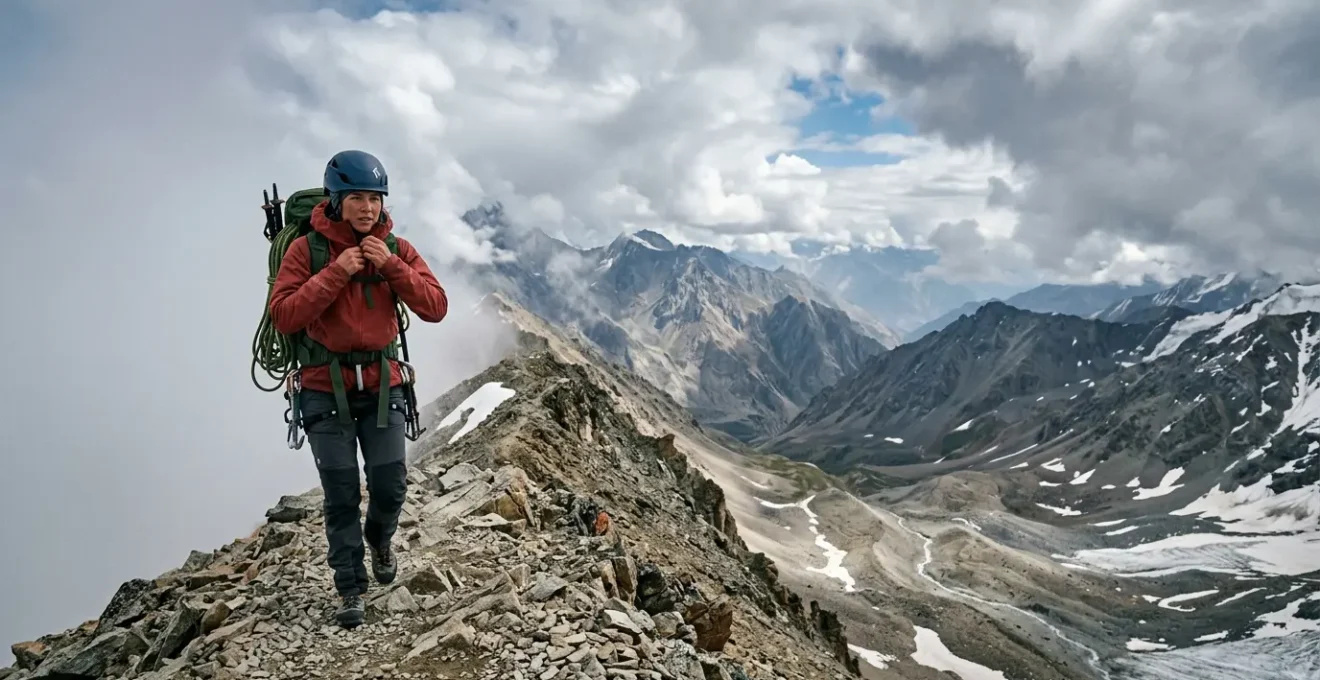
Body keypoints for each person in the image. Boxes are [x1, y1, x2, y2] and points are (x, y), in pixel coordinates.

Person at [268, 150, 448, 628]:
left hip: (384, 385)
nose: (368, 208)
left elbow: (435, 306)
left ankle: (380, 539)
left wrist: (391, 267)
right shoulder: (307, 251)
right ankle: (350, 589)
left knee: (390, 483)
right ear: (335, 200)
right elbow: (283, 315)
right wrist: (337, 272)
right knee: (341, 490)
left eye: (375, 198)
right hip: (324, 390)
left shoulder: (397, 248)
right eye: (356, 198)